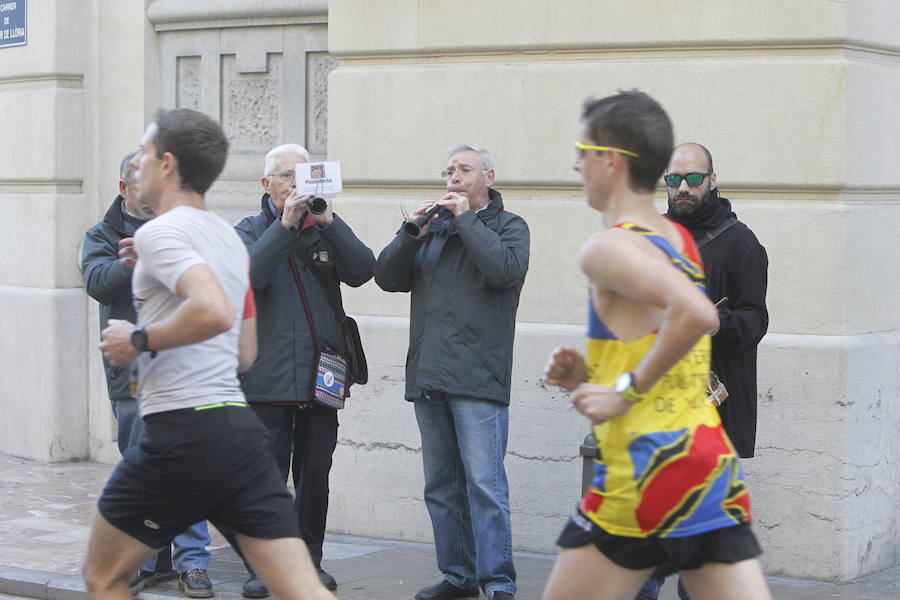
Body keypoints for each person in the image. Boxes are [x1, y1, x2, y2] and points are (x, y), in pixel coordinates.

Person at [82, 108, 336, 600]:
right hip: (238, 432)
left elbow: (214, 310)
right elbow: (244, 352)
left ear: (168, 165)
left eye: (146, 154)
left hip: (180, 431)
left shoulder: (159, 233)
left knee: (105, 575)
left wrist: (137, 340)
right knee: (303, 589)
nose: (137, 167)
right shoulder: (223, 236)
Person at [541, 91, 771, 600]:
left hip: (645, 471)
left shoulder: (610, 246)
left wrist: (623, 389)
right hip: (700, 464)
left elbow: (695, 314)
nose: (575, 164)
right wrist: (586, 376)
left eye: (584, 150)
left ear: (613, 162)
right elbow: (666, 347)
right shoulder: (679, 242)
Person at [374, 144, 529, 600]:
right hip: (430, 375)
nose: (453, 177)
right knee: (441, 485)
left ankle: (498, 581)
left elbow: (503, 271)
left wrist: (466, 219)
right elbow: (385, 277)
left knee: (485, 486)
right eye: (450, 170)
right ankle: (459, 576)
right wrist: (410, 232)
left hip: (478, 379)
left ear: (489, 177)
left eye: (464, 169)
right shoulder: (432, 232)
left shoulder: (510, 227)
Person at [234, 143, 375, 596]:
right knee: (268, 479)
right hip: (267, 378)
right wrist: (285, 227)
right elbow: (247, 279)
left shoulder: (322, 230)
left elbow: (363, 270)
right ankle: (265, 568)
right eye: (286, 177)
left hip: (322, 377)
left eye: (303, 177)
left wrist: (329, 223)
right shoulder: (248, 231)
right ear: (266, 184)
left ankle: (309, 561)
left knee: (315, 474)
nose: (295, 186)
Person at [637, 143, 769, 600]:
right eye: (674, 180)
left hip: (715, 407)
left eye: (693, 178)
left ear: (713, 180)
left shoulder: (741, 244)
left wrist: (713, 322)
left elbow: (756, 320)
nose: (683, 188)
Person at [81, 152, 214, 598]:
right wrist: (135, 261)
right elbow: (98, 282)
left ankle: (193, 562)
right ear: (125, 189)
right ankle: (147, 560)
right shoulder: (102, 235)